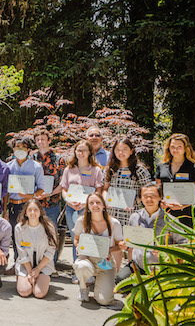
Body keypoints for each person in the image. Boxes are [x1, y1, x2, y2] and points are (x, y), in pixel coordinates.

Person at [115, 184, 187, 282]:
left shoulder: (170, 221)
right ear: (141, 198)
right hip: (138, 264)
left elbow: (184, 243)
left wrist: (166, 251)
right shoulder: (134, 217)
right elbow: (130, 241)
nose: (149, 199)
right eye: (145, 196)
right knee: (120, 279)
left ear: (160, 197)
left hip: (160, 267)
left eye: (153, 196)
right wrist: (124, 245)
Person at [72, 193, 124, 305]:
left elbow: (119, 245)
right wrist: (78, 247)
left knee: (104, 301)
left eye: (98, 202)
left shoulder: (114, 223)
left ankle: (100, 289)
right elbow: (76, 239)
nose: (95, 205)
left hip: (105, 263)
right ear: (88, 207)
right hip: (87, 259)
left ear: (104, 205)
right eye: (91, 203)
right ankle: (83, 287)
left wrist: (112, 250)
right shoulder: (82, 221)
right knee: (81, 266)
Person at [6, 137, 50, 268]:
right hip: (13, 205)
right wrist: (4, 210)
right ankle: (16, 263)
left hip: (28, 206)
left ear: (28, 150)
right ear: (13, 149)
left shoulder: (36, 167)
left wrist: (30, 196)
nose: (20, 150)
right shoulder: (8, 167)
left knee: (29, 235)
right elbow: (5, 191)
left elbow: (41, 188)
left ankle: (31, 263)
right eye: (17, 147)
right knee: (15, 236)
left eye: (23, 147)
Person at [60, 140, 104, 270]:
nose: (81, 153)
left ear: (90, 152)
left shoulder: (96, 170)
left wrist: (87, 203)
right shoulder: (69, 169)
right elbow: (64, 189)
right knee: (76, 240)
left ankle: (92, 270)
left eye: (84, 150)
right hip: (71, 209)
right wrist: (68, 200)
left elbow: (98, 191)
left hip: (89, 210)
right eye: (79, 150)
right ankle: (78, 269)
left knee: (90, 239)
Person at [154, 133, 195, 228]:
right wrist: (161, 202)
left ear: (186, 148)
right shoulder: (161, 167)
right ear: (168, 147)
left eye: (179, 146)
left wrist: (183, 206)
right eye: (172, 146)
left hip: (186, 215)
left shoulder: (194, 168)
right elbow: (158, 192)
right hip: (165, 214)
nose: (175, 150)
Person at [102, 137, 152, 225]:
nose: (120, 153)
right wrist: (105, 200)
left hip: (131, 213)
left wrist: (136, 200)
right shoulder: (109, 169)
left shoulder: (140, 170)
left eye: (124, 149)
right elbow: (105, 189)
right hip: (112, 213)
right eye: (117, 150)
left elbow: (148, 190)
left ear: (131, 151)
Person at [14, 199, 57, 299]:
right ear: (25, 212)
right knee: (24, 292)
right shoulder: (19, 228)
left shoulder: (49, 227)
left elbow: (51, 251)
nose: (33, 213)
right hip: (26, 265)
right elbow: (21, 252)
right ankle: (23, 278)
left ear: (40, 212)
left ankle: (42, 279)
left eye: (36, 210)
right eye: (30, 210)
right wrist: (30, 272)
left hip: (43, 265)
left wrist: (38, 269)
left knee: (39, 294)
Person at [30, 130, 66, 230]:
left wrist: (50, 194)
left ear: (49, 140)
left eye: (43, 139)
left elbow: (63, 183)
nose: (40, 142)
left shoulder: (59, 160)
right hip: (34, 203)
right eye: (37, 140)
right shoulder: (31, 159)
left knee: (52, 233)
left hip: (52, 203)